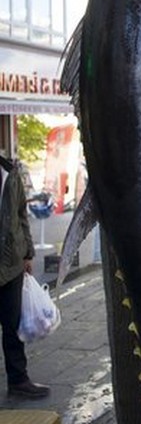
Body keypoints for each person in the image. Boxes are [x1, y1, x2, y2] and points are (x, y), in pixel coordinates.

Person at [0, 154, 50, 399]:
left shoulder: (10, 172)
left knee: (13, 325)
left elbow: (21, 215)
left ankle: (18, 380)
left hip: (11, 263)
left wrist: (28, 253)